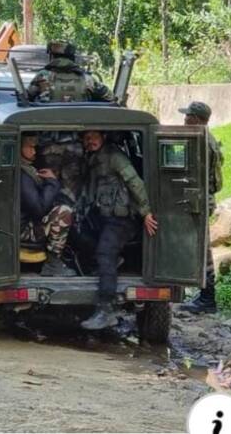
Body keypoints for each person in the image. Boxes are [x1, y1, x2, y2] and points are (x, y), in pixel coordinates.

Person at [80, 130, 158, 330]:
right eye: (87, 138)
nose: (90, 141)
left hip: (122, 219)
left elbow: (134, 182)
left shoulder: (114, 156)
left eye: (94, 137)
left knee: (105, 252)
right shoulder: (93, 159)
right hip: (104, 217)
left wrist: (146, 212)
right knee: (79, 234)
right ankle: (111, 263)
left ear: (103, 136)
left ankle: (106, 309)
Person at [179, 102, 223, 314]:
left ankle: (208, 299)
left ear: (195, 119)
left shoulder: (201, 142)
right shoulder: (206, 138)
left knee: (202, 250)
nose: (184, 120)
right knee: (199, 247)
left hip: (201, 201)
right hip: (204, 198)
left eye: (187, 116)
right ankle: (203, 295)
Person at [19, 134, 76, 276]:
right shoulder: (22, 175)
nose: (34, 151)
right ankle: (53, 263)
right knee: (64, 212)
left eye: (35, 148)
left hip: (20, 226)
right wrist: (52, 182)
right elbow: (39, 209)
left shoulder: (27, 170)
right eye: (30, 147)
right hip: (22, 231)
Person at [27, 41, 113, 103]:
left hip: (47, 122)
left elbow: (26, 99)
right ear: (72, 58)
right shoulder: (88, 79)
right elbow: (110, 98)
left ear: (51, 57)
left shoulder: (42, 76)